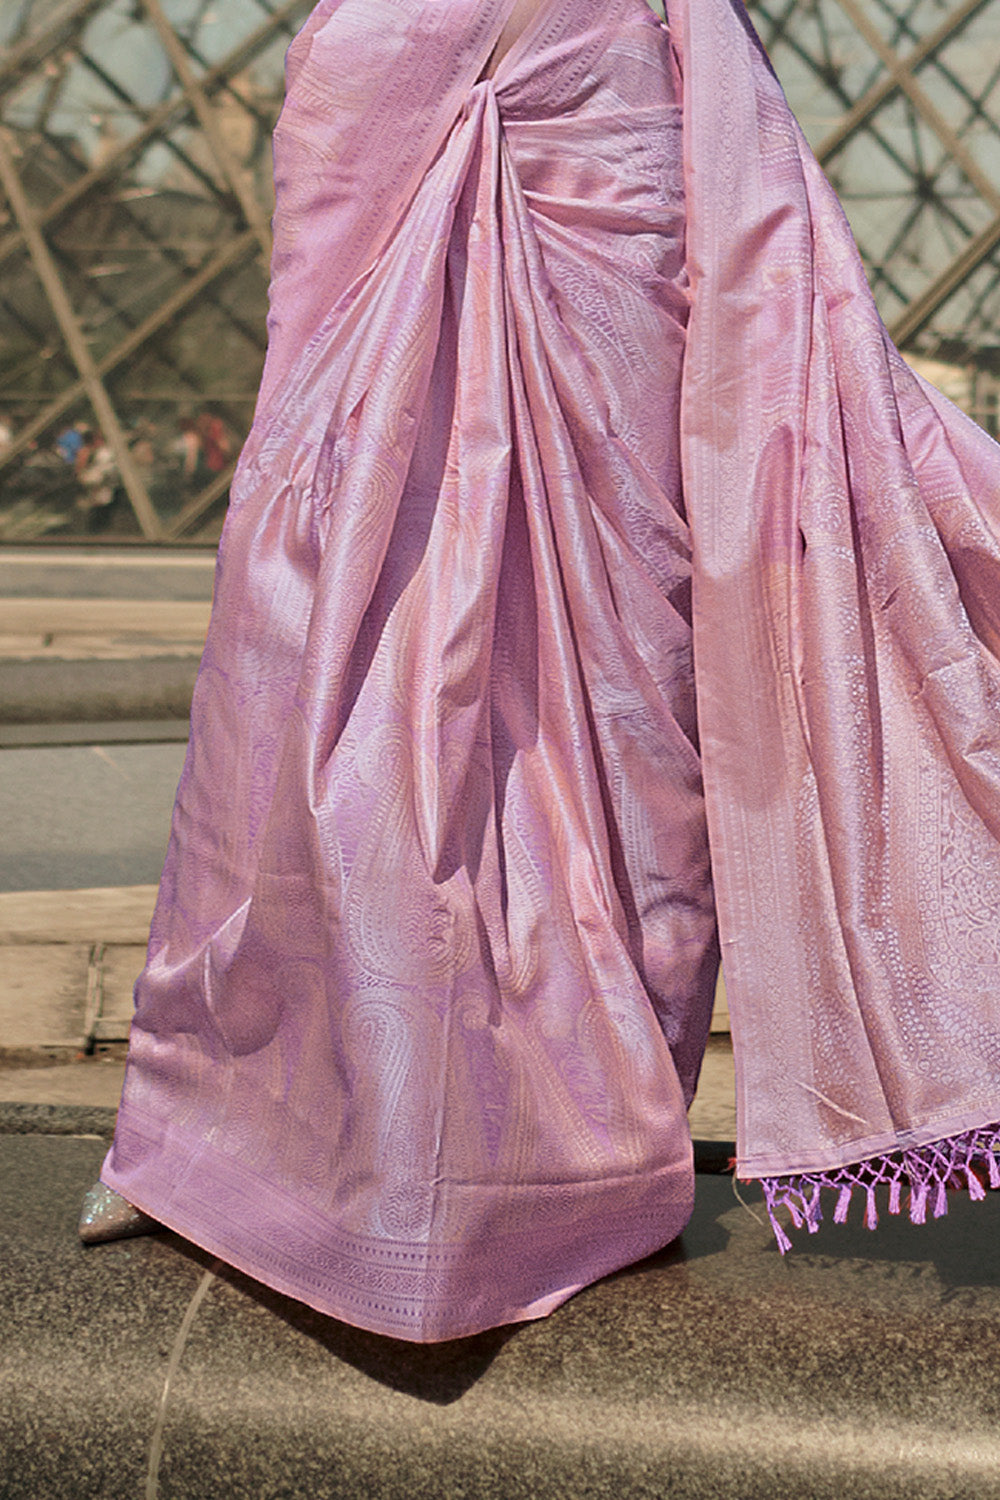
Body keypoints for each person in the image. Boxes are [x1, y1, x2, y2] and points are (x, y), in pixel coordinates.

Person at [80, 0, 1000, 1341]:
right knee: (553, 751)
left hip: (612, 295)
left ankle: (298, 1146)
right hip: (577, 221)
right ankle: (393, 1160)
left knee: (529, 737)